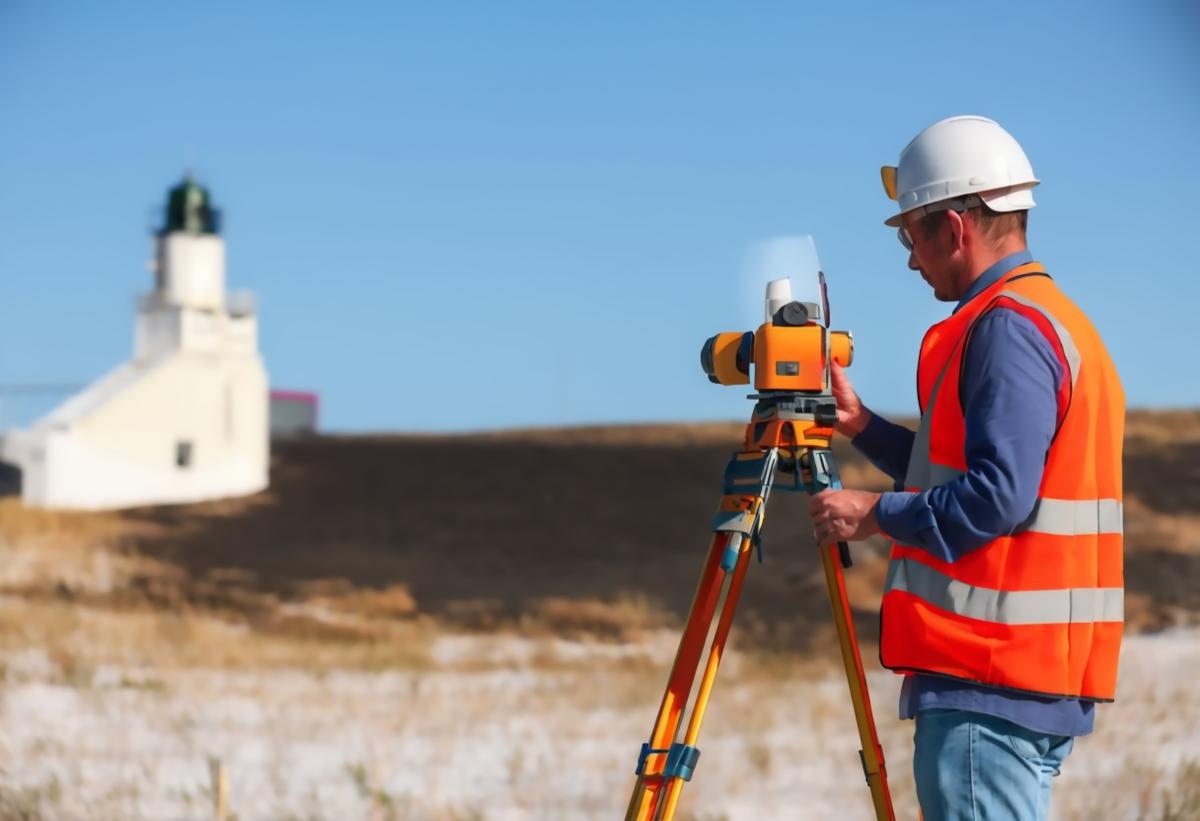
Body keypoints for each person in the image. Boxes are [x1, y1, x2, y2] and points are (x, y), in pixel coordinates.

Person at [809, 115, 1125, 820]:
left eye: (911, 235)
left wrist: (872, 514)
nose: (911, 259)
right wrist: (860, 424)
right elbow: (968, 474)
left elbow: (998, 497)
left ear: (954, 228)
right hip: (1025, 681)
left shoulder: (1006, 328)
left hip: (989, 681)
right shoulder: (1056, 319)